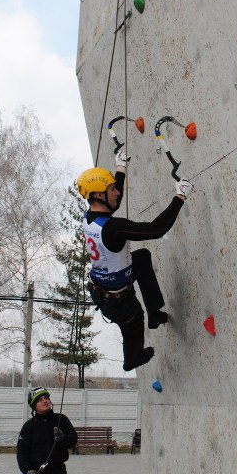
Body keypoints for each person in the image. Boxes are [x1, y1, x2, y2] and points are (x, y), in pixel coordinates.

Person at [77, 150, 193, 371]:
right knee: (132, 324)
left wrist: (120, 170)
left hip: (102, 287)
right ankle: (132, 359)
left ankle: (155, 313)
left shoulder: (91, 216)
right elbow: (156, 230)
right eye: (112, 189)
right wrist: (179, 197)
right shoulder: (113, 228)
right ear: (100, 195)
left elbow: (115, 202)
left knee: (141, 258)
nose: (117, 193)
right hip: (117, 300)